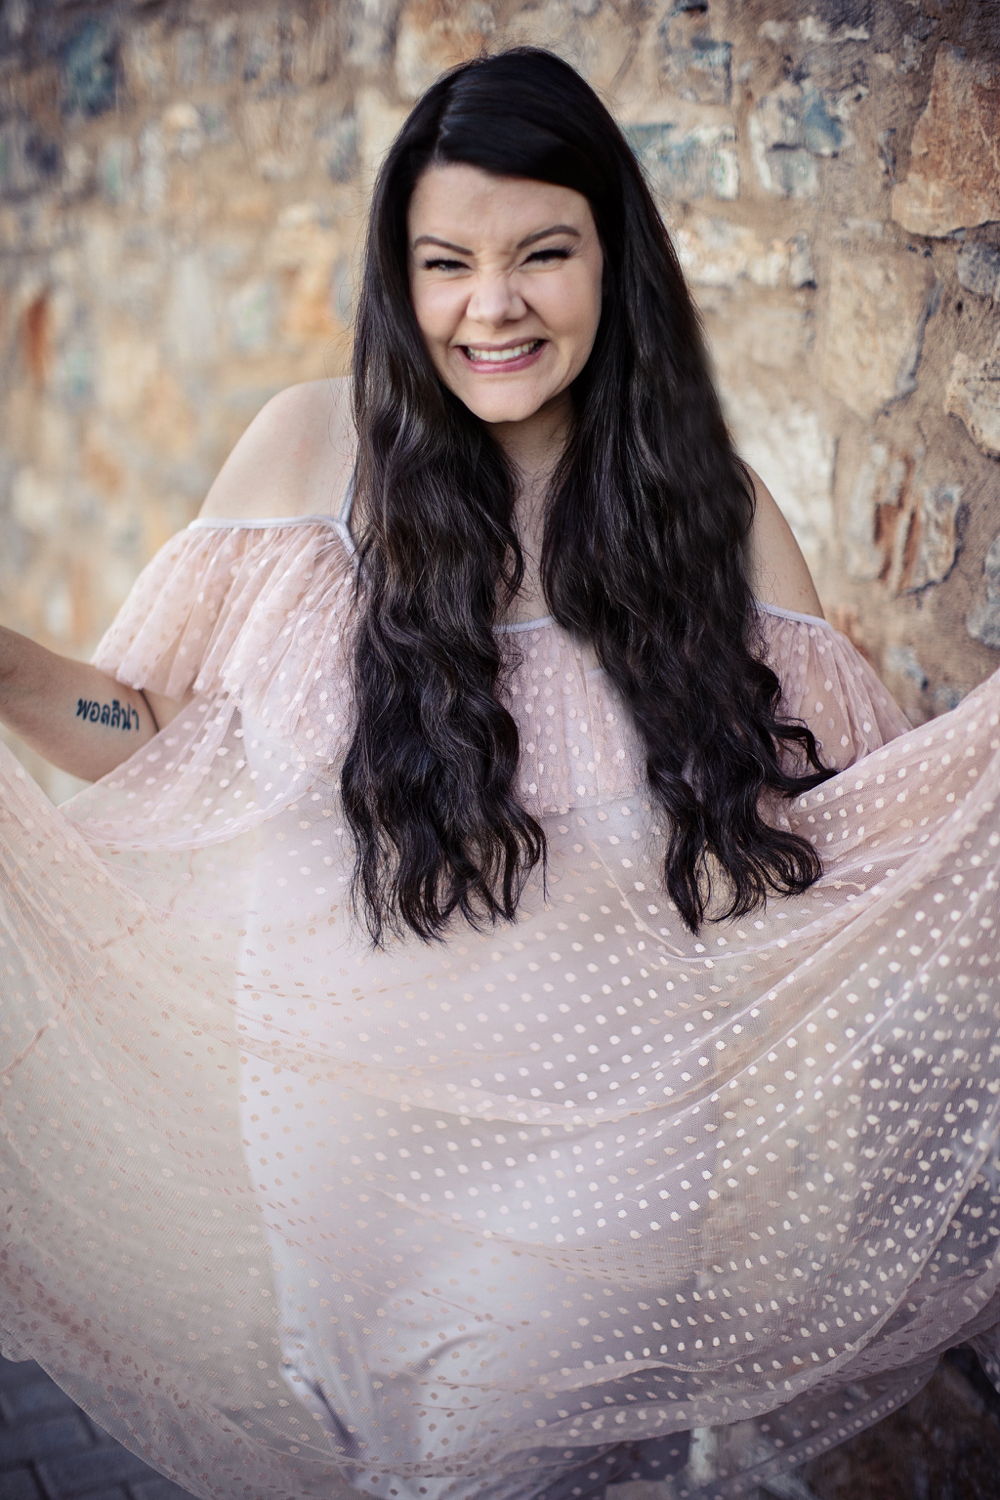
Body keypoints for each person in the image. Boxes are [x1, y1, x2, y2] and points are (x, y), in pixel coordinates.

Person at [1, 45, 999, 1500]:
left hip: (600, 1171)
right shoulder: (303, 455)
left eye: (542, 253)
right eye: (447, 263)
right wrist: (11, 672)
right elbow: (155, 737)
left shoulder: (708, 518)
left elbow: (846, 828)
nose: (493, 306)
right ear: (397, 278)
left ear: (614, 262)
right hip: (330, 1171)